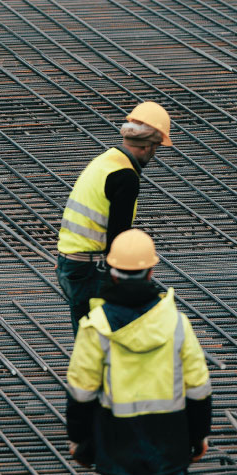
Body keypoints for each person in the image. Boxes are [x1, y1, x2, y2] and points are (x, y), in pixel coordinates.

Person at [66, 228, 212, 475]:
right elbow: (198, 386)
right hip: (170, 440)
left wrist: (80, 441)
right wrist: (198, 435)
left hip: (116, 442)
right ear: (150, 271)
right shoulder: (176, 323)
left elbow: (81, 391)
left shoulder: (97, 327)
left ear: (113, 271)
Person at [57, 101, 173, 335]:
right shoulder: (125, 177)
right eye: (156, 148)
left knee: (87, 337)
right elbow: (118, 237)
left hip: (70, 263)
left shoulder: (106, 160)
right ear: (148, 147)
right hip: (91, 270)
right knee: (102, 337)